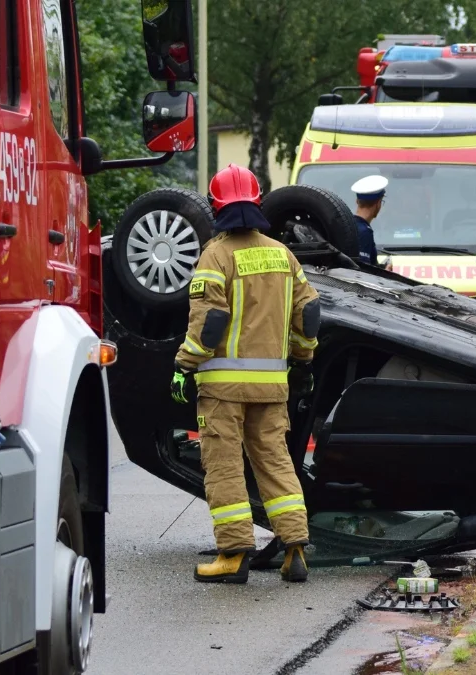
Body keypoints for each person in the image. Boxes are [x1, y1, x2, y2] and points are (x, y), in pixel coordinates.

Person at [171, 164, 321, 584]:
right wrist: (303, 360)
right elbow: (309, 313)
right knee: (275, 462)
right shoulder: (282, 254)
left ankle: (234, 556)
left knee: (223, 467)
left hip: (222, 389)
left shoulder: (216, 255)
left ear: (215, 205)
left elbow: (209, 322)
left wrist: (185, 366)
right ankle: (294, 547)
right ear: (257, 202)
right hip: (272, 388)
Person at [351, 175, 386, 265]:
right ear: (378, 204)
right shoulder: (364, 232)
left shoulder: (348, 224)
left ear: (357, 201)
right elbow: (364, 274)